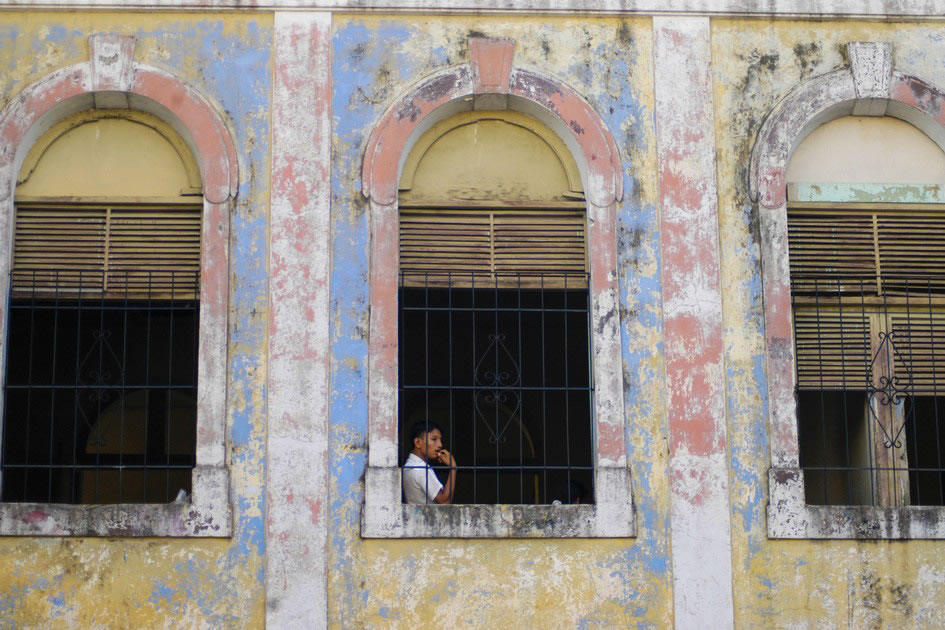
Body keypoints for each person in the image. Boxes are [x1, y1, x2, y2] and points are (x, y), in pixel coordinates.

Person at [403, 420, 457, 504]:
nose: (440, 445)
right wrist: (453, 468)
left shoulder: (408, 465)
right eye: (434, 439)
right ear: (418, 442)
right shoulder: (421, 468)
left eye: (440, 440)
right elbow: (444, 502)